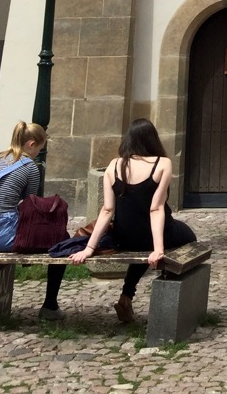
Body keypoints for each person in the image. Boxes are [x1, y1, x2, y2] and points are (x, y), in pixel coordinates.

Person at [69, 118, 195, 323]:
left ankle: (126, 296)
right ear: (152, 140)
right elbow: (156, 209)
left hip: (124, 237)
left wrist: (89, 248)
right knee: (190, 238)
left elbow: (107, 210)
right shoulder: (162, 164)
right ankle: (165, 295)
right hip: (155, 234)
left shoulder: (113, 166)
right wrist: (158, 249)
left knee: (142, 247)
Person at [0, 120, 65, 321]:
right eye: (40, 148)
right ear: (31, 144)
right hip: (4, 239)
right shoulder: (30, 167)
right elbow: (31, 207)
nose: (39, 152)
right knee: (62, 242)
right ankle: (50, 306)